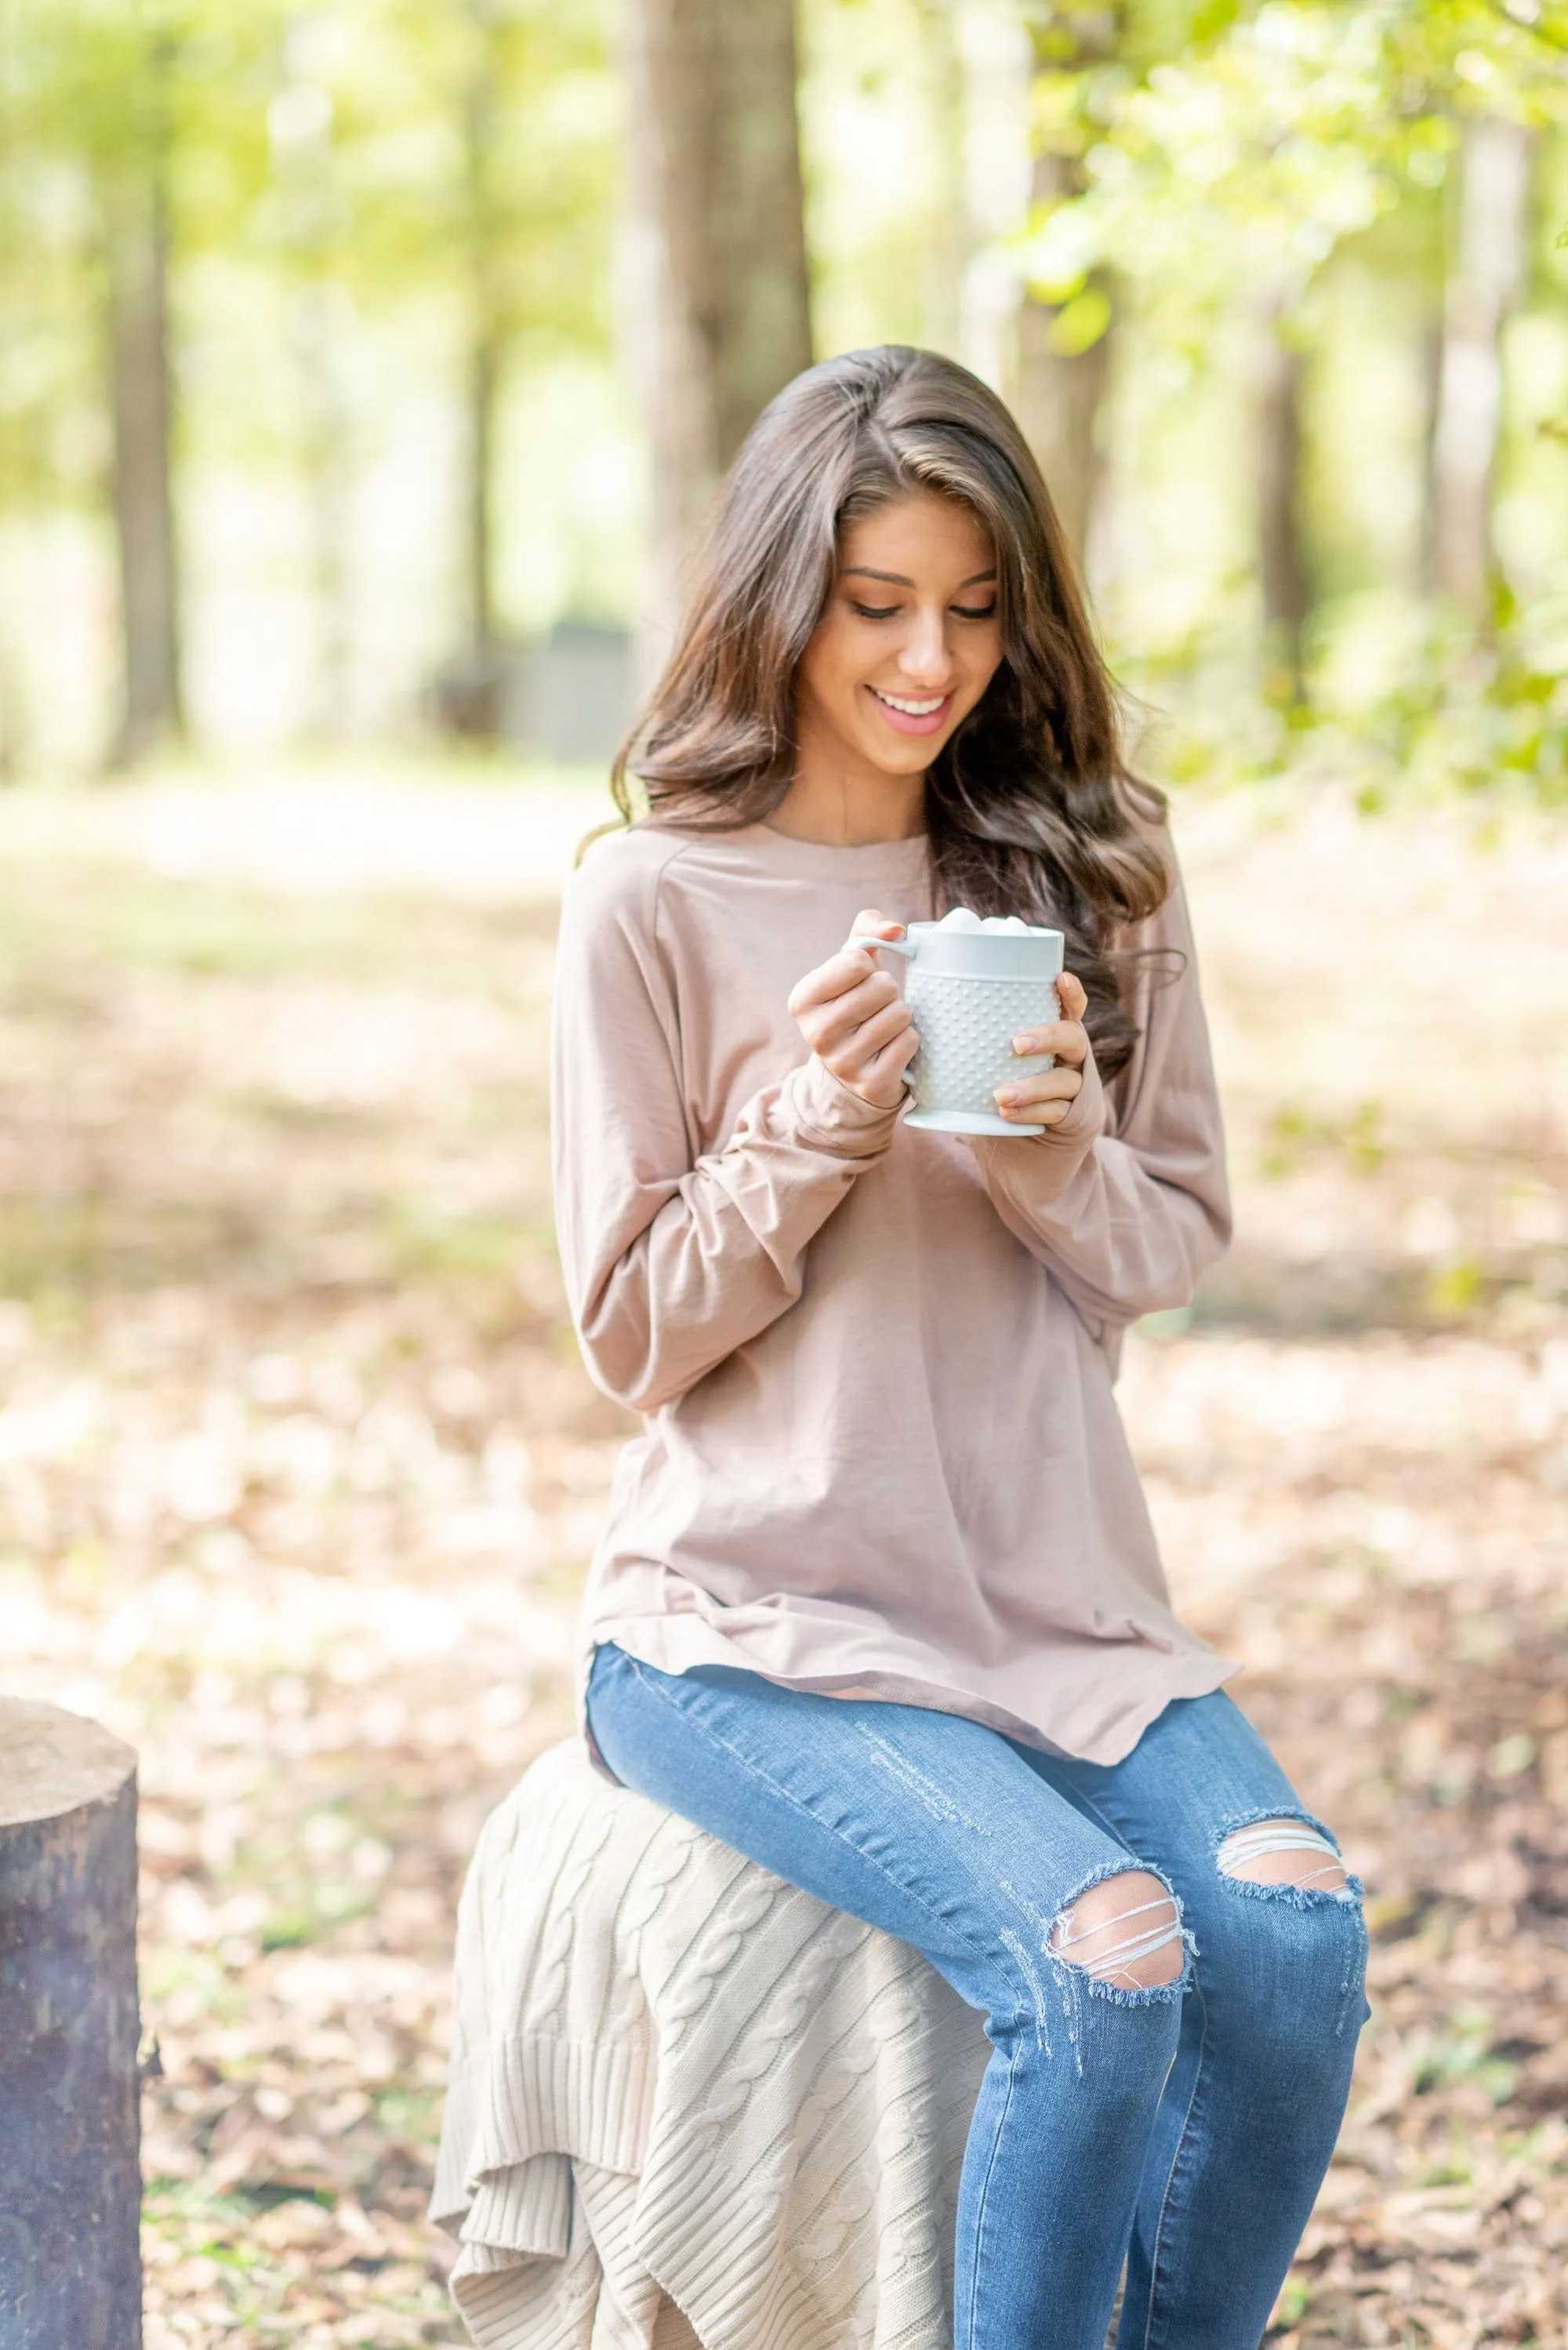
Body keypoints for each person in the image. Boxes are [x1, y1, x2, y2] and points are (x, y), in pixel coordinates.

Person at [550, 345, 1367, 2350]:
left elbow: (1160, 1244)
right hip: (745, 1621)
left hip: (1055, 1601)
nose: (933, 661)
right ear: (781, 600)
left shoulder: (1087, 873)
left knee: (1288, 1933)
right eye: (878, 605)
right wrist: (806, 1128)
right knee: (1103, 1960)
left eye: (978, 609)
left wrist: (1054, 1147)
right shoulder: (649, 902)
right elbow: (631, 1332)